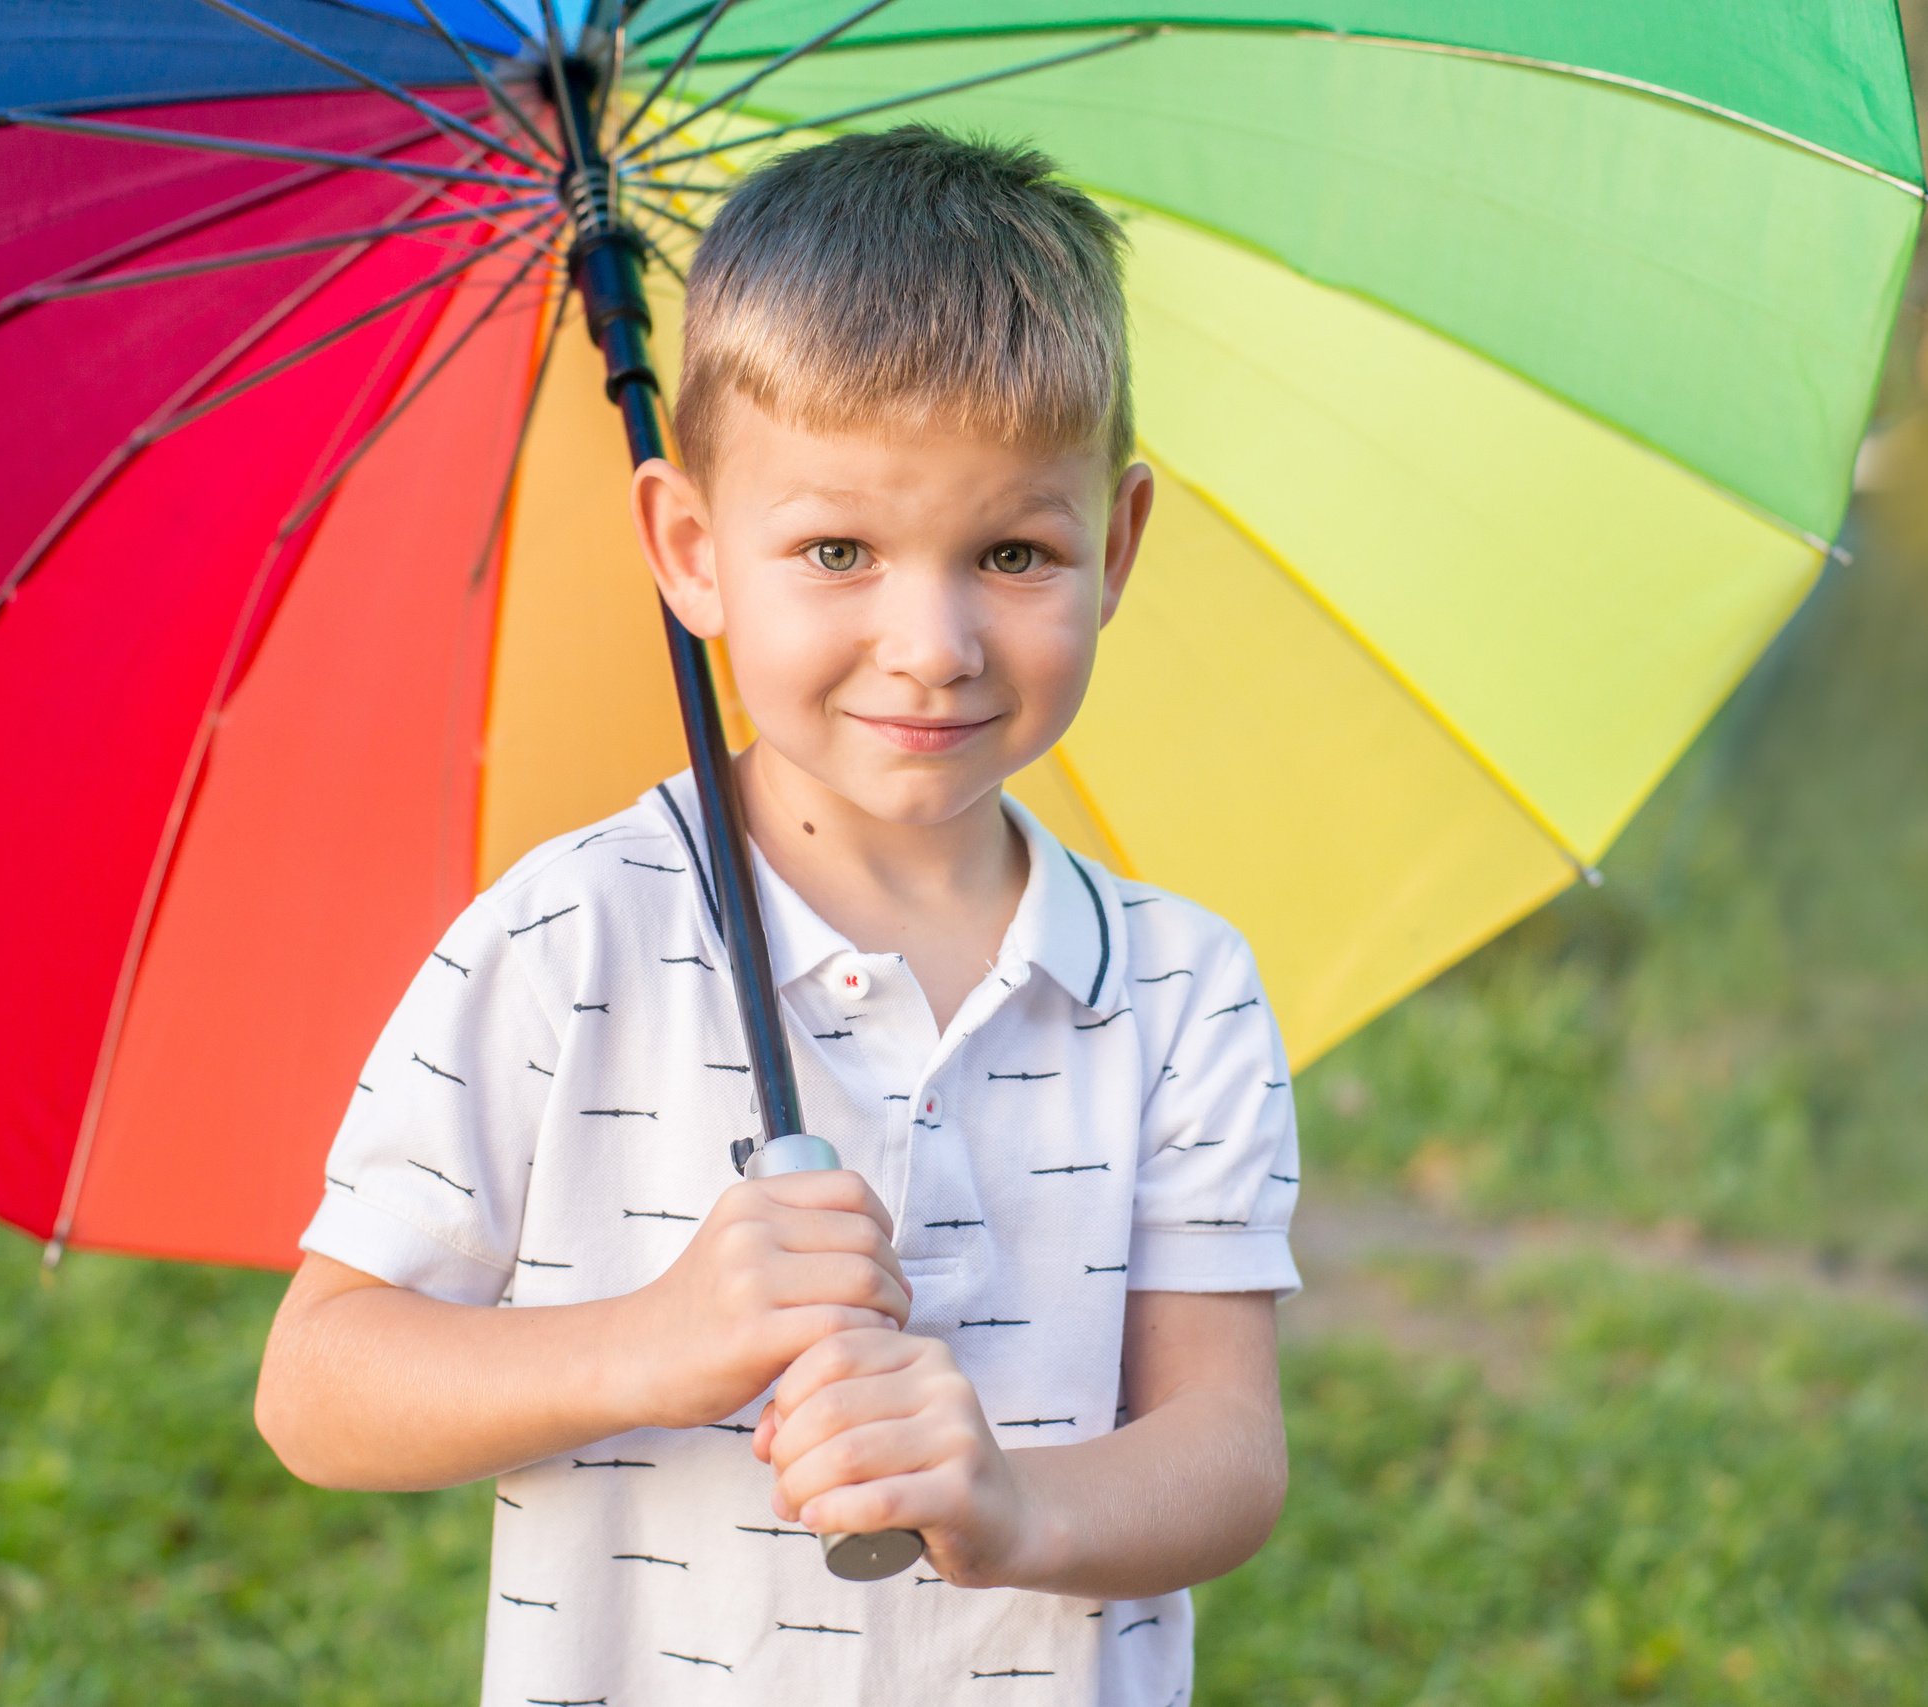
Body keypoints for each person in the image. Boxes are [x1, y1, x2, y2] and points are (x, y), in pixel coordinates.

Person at [254, 125, 1300, 1707]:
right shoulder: (569, 943)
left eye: (1014, 552)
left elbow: (1225, 1451)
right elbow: (318, 1385)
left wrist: (1016, 1507)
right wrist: (652, 1339)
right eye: (837, 550)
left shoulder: (1178, 991)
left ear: (1120, 544)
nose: (932, 643)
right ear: (692, 551)